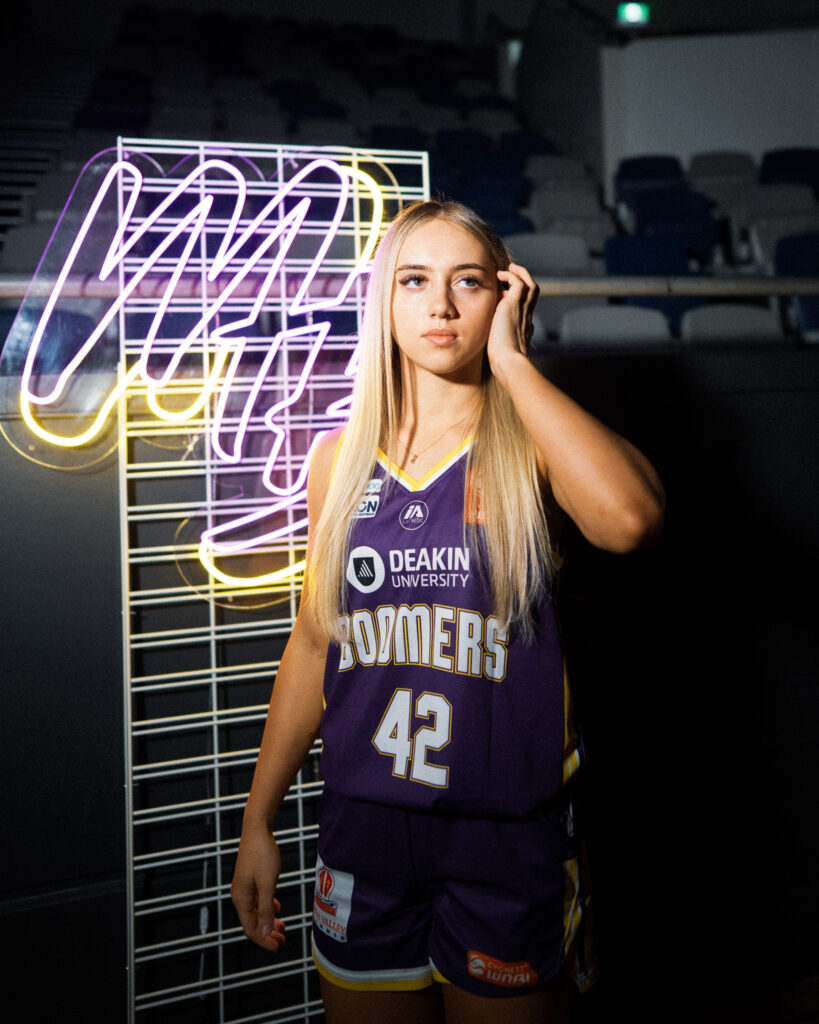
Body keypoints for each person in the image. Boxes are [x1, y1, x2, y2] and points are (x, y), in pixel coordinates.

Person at [231, 198, 665, 1024]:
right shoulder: (338, 459)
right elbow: (316, 643)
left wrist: (513, 363)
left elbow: (629, 521)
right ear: (383, 300)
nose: (439, 304)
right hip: (363, 826)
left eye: (467, 281)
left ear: (504, 295)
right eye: (413, 281)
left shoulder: (532, 442)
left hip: (504, 829)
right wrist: (258, 819)